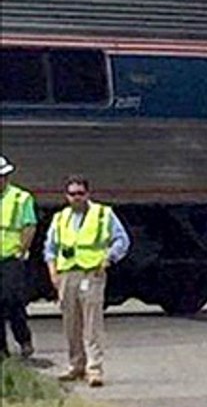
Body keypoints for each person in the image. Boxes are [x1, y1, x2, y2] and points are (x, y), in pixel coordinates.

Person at [44, 175, 130, 387]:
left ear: (88, 194)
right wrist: (53, 272)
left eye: (80, 193)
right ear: (66, 196)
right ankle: (76, 365)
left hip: (92, 273)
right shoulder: (60, 218)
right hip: (67, 275)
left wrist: (108, 258)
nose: (76, 198)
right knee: (71, 324)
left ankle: (94, 369)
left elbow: (122, 239)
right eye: (72, 194)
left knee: (92, 324)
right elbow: (50, 247)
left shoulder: (103, 214)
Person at [1, 155, 37, 360]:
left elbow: (29, 225)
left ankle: (23, 339)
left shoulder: (20, 198)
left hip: (11, 258)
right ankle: (1, 349)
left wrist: (22, 250)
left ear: (6, 177)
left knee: (12, 299)